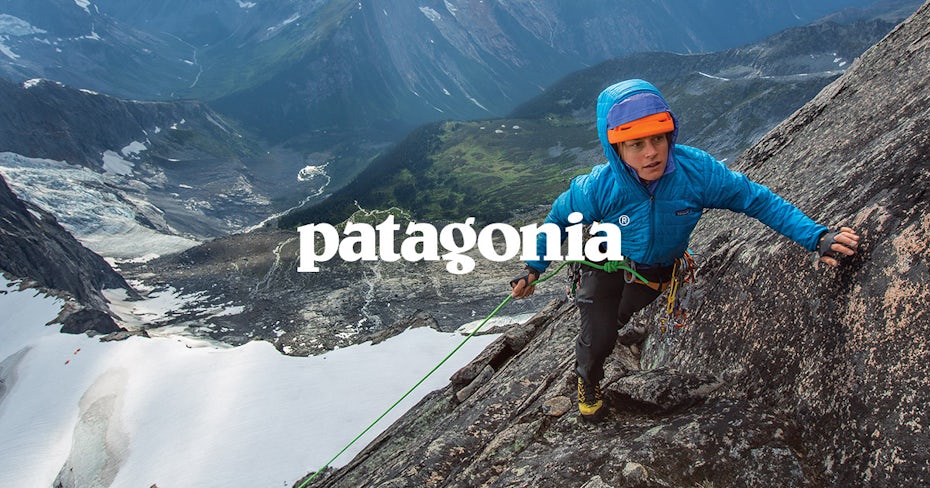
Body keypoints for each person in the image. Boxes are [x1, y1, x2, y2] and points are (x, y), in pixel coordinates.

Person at [509, 79, 860, 422]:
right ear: (615, 148)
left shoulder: (697, 174)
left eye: (658, 138)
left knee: (615, 321)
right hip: (605, 263)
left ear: (670, 135)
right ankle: (588, 381)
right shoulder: (598, 188)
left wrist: (816, 237)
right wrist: (533, 268)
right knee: (599, 336)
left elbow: (757, 200)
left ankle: (606, 335)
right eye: (636, 144)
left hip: (653, 273)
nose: (651, 152)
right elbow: (558, 220)